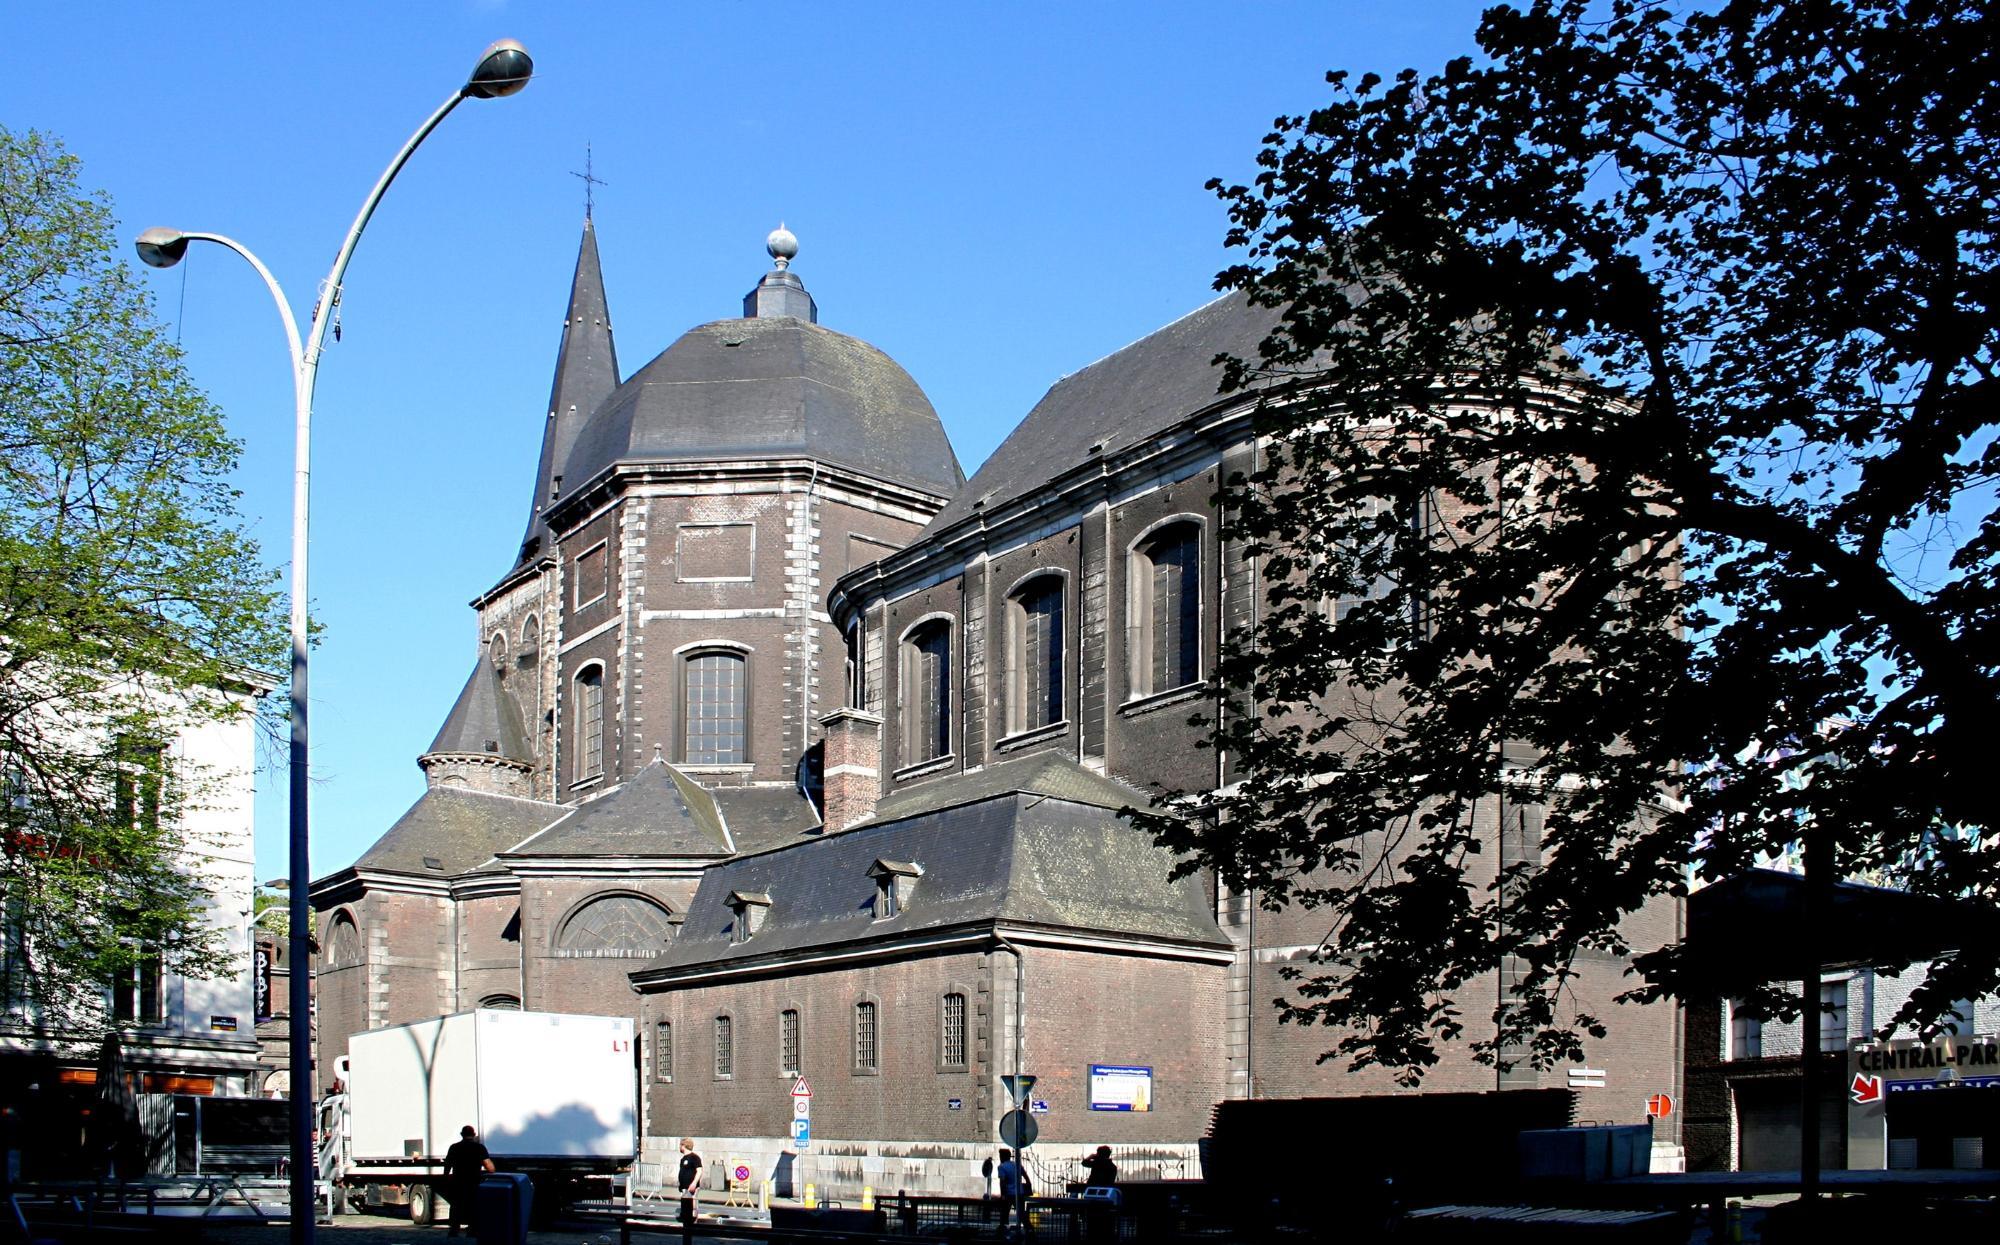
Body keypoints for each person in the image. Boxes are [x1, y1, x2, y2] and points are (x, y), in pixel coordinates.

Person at [441, 1125, 493, 1238]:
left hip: (458, 1182)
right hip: (474, 1182)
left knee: (456, 1206)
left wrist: (446, 1179)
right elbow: (490, 1167)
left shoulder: (454, 1148)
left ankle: (454, 1230)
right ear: (474, 1135)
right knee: (473, 1206)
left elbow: (447, 1166)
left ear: (461, 1134)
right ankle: (472, 1230)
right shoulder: (479, 1148)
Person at [995, 1147, 1031, 1235]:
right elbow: (1026, 1176)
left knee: (1004, 1213)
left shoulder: (1001, 1167)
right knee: (1022, 1213)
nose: (999, 1157)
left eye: (1000, 1155)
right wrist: (1028, 1185)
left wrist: (1003, 1195)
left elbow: (1002, 1182)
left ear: (1002, 1157)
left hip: (1009, 1194)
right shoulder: (1017, 1165)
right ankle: (1029, 1230)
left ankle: (1003, 1231)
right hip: (1020, 1193)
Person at [676, 1136, 704, 1239]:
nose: (679, 1147)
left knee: (690, 1207)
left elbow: (699, 1171)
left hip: (690, 1188)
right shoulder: (683, 1158)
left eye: (680, 1145)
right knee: (685, 1207)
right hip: (684, 1188)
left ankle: (691, 1227)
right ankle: (686, 1226)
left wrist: (693, 1183)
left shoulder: (694, 1157)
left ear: (684, 1145)